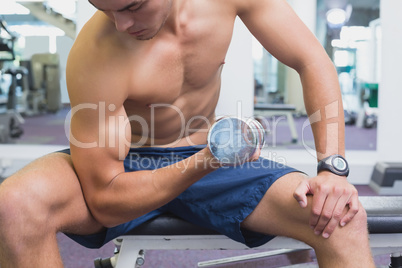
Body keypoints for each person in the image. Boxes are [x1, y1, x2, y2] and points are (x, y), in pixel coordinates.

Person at [0, 0, 375, 267]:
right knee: (12, 205)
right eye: (106, 11)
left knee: (340, 215)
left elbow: (313, 61)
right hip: (125, 166)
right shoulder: (95, 53)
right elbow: (106, 200)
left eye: (131, 6)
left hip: (210, 159)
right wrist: (208, 160)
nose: (121, 25)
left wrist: (332, 168)